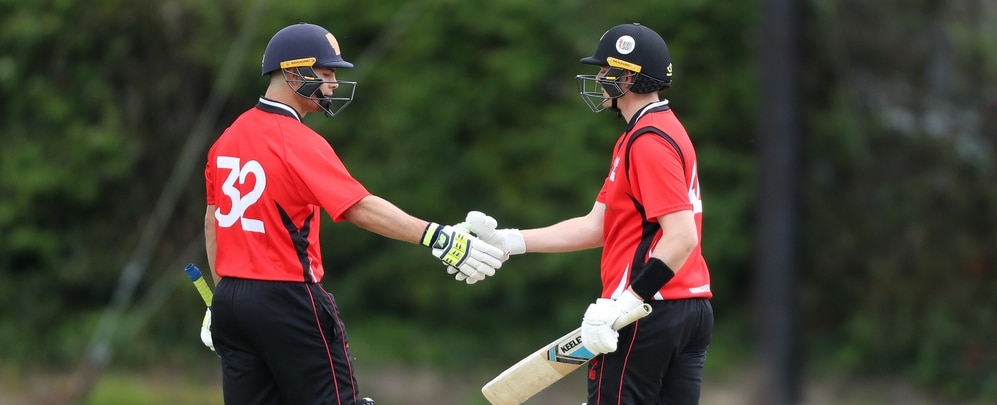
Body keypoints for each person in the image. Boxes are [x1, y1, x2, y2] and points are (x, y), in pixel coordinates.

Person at [200, 22, 504, 405]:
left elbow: (213, 223)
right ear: (293, 72)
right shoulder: (298, 140)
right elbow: (359, 207)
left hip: (230, 300)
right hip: (288, 298)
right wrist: (438, 237)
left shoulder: (228, 136)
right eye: (325, 74)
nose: (332, 84)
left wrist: (220, 298)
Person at [460, 23, 714, 404]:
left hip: (649, 310)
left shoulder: (647, 141)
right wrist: (511, 241)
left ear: (628, 78)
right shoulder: (654, 130)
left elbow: (681, 236)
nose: (597, 78)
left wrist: (626, 303)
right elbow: (597, 226)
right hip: (686, 307)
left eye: (604, 70)